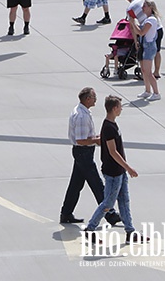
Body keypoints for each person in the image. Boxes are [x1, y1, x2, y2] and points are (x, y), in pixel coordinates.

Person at [83, 96, 148, 245]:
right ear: (114, 108)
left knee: (124, 201)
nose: (121, 109)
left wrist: (124, 170)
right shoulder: (108, 127)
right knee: (108, 204)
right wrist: (128, 167)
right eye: (120, 106)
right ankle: (90, 228)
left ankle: (130, 232)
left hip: (119, 172)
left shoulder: (112, 124)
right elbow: (113, 152)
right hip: (113, 172)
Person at [59, 87, 121, 226]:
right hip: (84, 153)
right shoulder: (81, 116)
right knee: (97, 184)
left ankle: (66, 213)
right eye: (93, 97)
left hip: (82, 153)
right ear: (87, 99)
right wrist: (96, 140)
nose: (95, 99)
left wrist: (94, 138)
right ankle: (110, 214)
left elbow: (83, 137)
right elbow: (81, 140)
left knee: (75, 185)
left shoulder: (81, 111)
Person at [124, 0, 161, 79]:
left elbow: (132, 27)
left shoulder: (130, 8)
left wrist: (136, 41)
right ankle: (156, 72)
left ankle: (147, 74)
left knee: (146, 53)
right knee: (157, 51)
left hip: (146, 29)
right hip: (158, 27)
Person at [132, 0, 162, 101]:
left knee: (148, 72)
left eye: (144, 6)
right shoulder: (146, 20)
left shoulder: (152, 20)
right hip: (144, 46)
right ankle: (147, 90)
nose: (142, 8)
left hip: (149, 47)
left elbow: (141, 32)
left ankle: (156, 92)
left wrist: (133, 23)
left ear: (150, 7)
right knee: (144, 70)